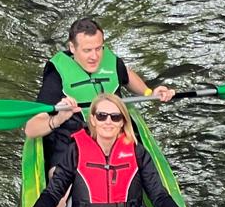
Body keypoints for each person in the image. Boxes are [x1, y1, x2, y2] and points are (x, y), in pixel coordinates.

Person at [23, 93, 196, 207]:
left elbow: (158, 194)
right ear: (92, 120)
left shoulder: (137, 152)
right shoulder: (76, 150)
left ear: (122, 122)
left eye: (115, 117)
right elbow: (55, 191)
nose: (108, 121)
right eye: (101, 116)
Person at [23, 18, 175, 162]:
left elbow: (126, 74)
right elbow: (31, 129)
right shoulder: (57, 75)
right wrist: (58, 119)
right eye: (87, 50)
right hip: (73, 141)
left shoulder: (111, 62)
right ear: (72, 48)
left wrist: (149, 93)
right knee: (62, 175)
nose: (94, 56)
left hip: (113, 132)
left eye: (98, 48)